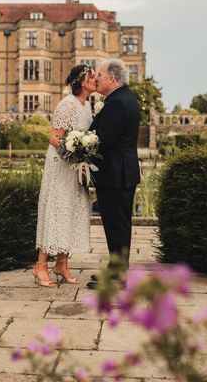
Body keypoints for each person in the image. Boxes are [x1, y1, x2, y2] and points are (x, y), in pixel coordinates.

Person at [34, 65, 96, 287]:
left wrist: (83, 156)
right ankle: (40, 266)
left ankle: (62, 263)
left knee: (70, 211)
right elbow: (55, 137)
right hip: (61, 166)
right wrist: (74, 155)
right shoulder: (67, 104)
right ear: (81, 81)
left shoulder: (88, 105)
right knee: (56, 210)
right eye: (91, 76)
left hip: (75, 168)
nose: (95, 78)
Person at [86, 59, 140, 290]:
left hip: (116, 174)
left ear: (112, 78)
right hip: (120, 173)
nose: (96, 78)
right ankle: (116, 268)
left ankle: (118, 275)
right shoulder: (123, 98)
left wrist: (81, 146)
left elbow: (104, 139)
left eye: (100, 74)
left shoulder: (118, 102)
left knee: (116, 225)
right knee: (117, 224)